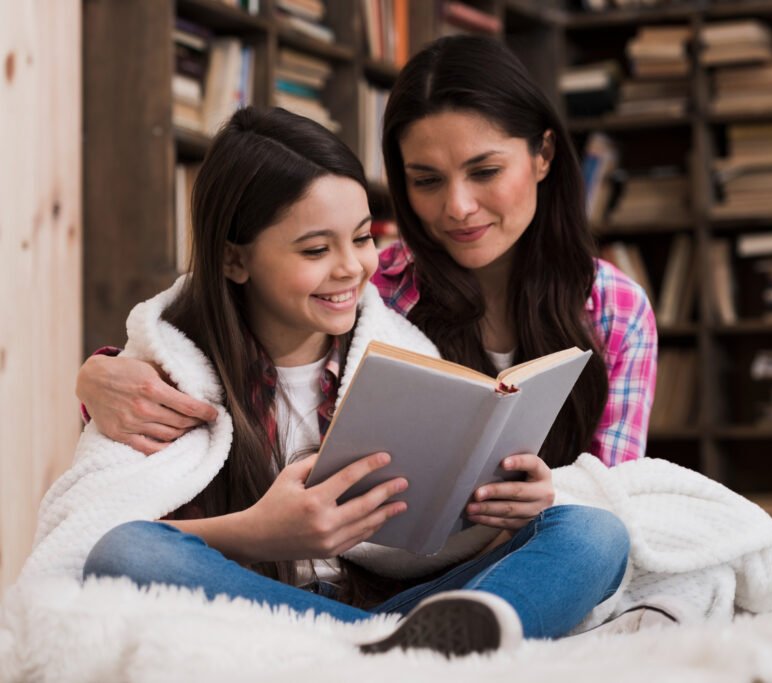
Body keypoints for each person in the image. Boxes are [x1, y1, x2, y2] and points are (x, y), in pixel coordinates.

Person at [71, 106, 631, 656]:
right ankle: (399, 656)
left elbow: (442, 533)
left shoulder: (404, 354)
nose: (351, 268)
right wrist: (257, 532)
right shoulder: (165, 376)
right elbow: (95, 535)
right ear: (234, 260)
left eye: (362, 239)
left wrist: (507, 504)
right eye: (316, 249)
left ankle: (387, 651)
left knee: (593, 535)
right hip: (253, 607)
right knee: (125, 553)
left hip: (399, 606)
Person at [75, 35, 658, 469]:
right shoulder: (371, 286)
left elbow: (615, 491)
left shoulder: (614, 307)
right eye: (426, 180)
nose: (458, 207)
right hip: (393, 563)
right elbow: (211, 330)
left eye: (484, 171)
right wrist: (97, 375)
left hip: (544, 543)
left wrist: (548, 501)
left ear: (543, 155)